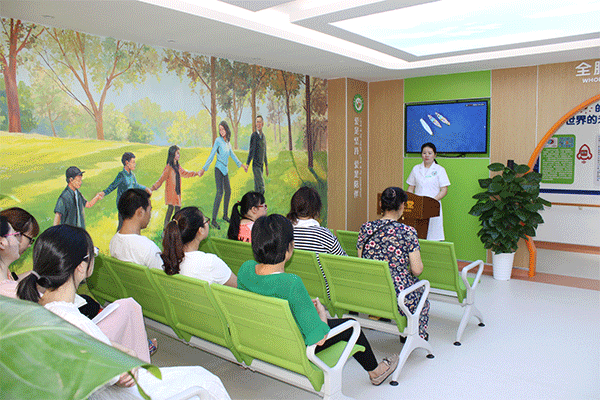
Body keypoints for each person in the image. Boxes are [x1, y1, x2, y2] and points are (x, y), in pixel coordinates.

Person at [16, 225, 231, 400]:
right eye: (94, 254)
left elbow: (93, 348)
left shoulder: (39, 310)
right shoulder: (74, 322)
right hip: (126, 394)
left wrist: (116, 349)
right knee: (207, 380)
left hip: (104, 392)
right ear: (81, 267)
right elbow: (122, 375)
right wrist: (126, 358)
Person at [238, 214, 399, 386]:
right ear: (289, 248)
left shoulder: (246, 269)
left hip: (262, 339)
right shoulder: (291, 284)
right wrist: (322, 314)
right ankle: (376, 371)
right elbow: (319, 339)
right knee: (352, 325)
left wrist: (304, 306)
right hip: (294, 346)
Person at [357, 187, 430, 340]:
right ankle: (416, 336)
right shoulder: (408, 231)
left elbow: (361, 260)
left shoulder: (366, 228)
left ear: (381, 204)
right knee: (421, 292)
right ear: (402, 206)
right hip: (398, 295)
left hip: (370, 288)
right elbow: (417, 270)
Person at [286, 186, 346, 298]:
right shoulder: (323, 234)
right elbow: (344, 263)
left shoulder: (284, 232)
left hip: (292, 290)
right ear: (316, 209)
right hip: (322, 294)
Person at [162, 206, 237, 287]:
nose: (208, 223)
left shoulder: (168, 260)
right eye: (206, 221)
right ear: (200, 230)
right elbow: (238, 286)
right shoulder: (210, 262)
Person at [199, 121, 247, 230]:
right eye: (220, 129)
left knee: (228, 191)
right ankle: (213, 220)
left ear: (226, 129)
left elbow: (232, 155)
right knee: (220, 192)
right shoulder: (218, 141)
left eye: (223, 129)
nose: (221, 131)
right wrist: (204, 168)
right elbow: (212, 154)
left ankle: (225, 215)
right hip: (218, 169)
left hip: (225, 169)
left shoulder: (228, 143)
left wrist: (241, 165)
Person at [406, 142, 450, 241]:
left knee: (433, 234)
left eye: (430, 153)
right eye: (424, 153)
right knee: (417, 235)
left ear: (435, 155)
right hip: (417, 206)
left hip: (433, 206)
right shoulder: (416, 169)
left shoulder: (440, 170)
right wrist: (411, 201)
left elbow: (444, 190)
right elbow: (410, 188)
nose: (427, 155)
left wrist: (432, 201)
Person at [109, 188, 163, 269]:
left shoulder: (114, 241)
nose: (150, 215)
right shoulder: (148, 248)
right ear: (140, 212)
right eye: (149, 210)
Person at [99, 152, 152, 231]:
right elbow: (113, 185)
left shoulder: (132, 175)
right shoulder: (121, 175)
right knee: (122, 225)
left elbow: (135, 185)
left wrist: (145, 188)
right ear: (127, 163)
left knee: (130, 224)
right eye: (133, 162)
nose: (135, 164)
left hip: (130, 203)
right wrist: (104, 193)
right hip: (123, 204)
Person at [151, 145, 199, 230]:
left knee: (177, 212)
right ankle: (165, 229)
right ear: (173, 154)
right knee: (170, 210)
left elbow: (184, 173)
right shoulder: (169, 167)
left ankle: (175, 229)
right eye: (177, 153)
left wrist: (195, 173)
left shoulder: (178, 166)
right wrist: (153, 188)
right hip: (171, 193)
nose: (179, 155)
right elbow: (161, 179)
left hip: (177, 193)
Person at [246, 115, 268, 194]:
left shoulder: (263, 137)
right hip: (256, 166)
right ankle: (260, 201)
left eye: (260, 122)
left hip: (261, 166)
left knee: (257, 188)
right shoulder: (254, 136)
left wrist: (266, 166)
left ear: (262, 124)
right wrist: (247, 163)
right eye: (257, 122)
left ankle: (256, 201)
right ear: (255, 124)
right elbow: (251, 150)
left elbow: (264, 152)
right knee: (262, 188)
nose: (258, 124)